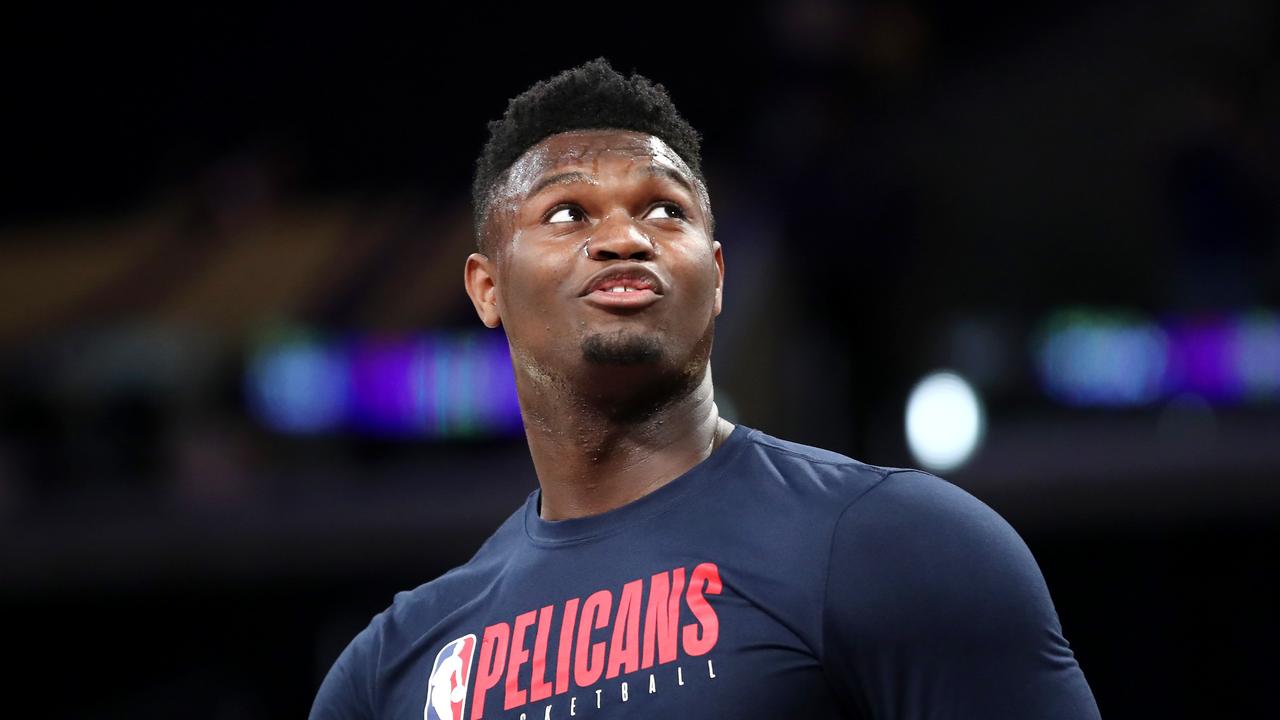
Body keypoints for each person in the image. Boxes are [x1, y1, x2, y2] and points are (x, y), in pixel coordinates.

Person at [310, 58, 1100, 720]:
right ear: (487, 289)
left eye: (663, 209)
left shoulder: (896, 545)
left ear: (716, 275)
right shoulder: (392, 671)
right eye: (567, 212)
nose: (623, 237)